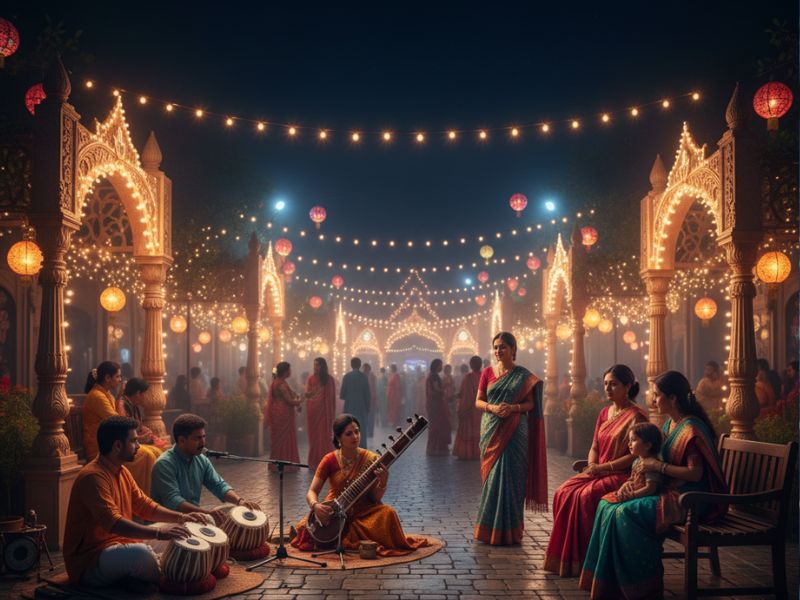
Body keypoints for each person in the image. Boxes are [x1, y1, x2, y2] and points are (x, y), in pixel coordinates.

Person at [579, 370, 727, 600]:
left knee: (624, 513)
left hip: (690, 500)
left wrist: (658, 467)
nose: (653, 399)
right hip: (669, 491)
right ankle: (611, 582)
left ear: (673, 398)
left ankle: (642, 586)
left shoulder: (691, 430)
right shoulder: (670, 425)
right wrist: (632, 483)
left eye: (657, 395)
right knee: (606, 505)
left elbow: (695, 473)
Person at [64, 416, 207, 587]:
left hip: (122, 544)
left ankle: (144, 575)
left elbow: (145, 506)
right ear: (117, 446)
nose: (138, 446)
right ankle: (168, 580)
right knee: (141, 554)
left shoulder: (121, 471)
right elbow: (114, 523)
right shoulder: (93, 477)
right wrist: (158, 533)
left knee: (181, 533)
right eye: (133, 441)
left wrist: (181, 517)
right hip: (91, 560)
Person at [544, 364, 648, 576]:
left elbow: (636, 455)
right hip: (598, 471)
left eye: (614, 384)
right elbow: (594, 446)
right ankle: (568, 558)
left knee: (584, 496)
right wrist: (592, 466)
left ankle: (587, 560)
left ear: (628, 386)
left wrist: (602, 467)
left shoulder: (636, 416)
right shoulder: (604, 413)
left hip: (622, 475)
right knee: (562, 492)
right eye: (606, 384)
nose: (607, 388)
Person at [291, 414, 429, 556]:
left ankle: (348, 536)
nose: (355, 437)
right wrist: (315, 506)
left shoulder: (371, 459)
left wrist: (383, 482)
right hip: (335, 512)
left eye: (357, 431)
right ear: (338, 438)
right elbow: (312, 491)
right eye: (349, 434)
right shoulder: (329, 460)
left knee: (389, 514)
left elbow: (375, 499)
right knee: (308, 527)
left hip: (364, 511)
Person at [474, 332, 547, 545]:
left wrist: (513, 408)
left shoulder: (523, 375)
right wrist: (493, 408)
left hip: (516, 432)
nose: (498, 351)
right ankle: (489, 531)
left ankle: (511, 531)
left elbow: (531, 404)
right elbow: (478, 401)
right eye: (496, 347)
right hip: (491, 430)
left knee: (514, 478)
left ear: (513, 349)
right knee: (493, 478)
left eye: (503, 347)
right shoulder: (487, 373)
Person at [151, 414, 260, 525]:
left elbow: (218, 485)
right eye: (197, 438)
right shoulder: (164, 464)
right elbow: (174, 501)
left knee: (232, 517)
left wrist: (239, 501)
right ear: (182, 440)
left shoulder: (201, 459)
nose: (203, 443)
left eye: (203, 437)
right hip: (167, 523)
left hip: (193, 518)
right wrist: (207, 514)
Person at [83, 362, 159, 496]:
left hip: (113, 445)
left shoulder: (106, 395)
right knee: (147, 456)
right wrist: (138, 438)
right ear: (107, 378)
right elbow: (116, 421)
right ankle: (139, 498)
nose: (120, 380)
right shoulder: (97, 396)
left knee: (156, 452)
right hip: (101, 448)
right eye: (117, 376)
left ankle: (151, 498)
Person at [603, 422, 663, 503]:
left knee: (620, 508)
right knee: (604, 502)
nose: (629, 444)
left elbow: (650, 489)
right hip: (636, 493)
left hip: (646, 497)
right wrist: (626, 484)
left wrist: (632, 495)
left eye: (633, 440)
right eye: (629, 440)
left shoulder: (650, 465)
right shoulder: (636, 461)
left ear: (647, 445)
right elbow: (632, 479)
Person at [266, 362, 302, 470]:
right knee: (285, 438)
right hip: (283, 414)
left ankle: (277, 463)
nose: (290, 372)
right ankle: (285, 464)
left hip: (278, 413)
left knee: (279, 439)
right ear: (285, 371)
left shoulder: (279, 382)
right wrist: (300, 401)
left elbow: (291, 395)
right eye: (289, 370)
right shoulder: (280, 384)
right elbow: (289, 400)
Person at [116, 378, 168, 452]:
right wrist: (142, 438)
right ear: (138, 394)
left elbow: (137, 426)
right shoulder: (121, 405)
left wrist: (145, 430)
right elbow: (125, 433)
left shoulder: (134, 404)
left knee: (162, 446)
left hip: (135, 441)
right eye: (145, 394)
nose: (146, 397)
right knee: (155, 451)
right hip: (127, 446)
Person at [304, 357, 337, 469]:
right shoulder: (311, 379)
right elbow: (307, 394)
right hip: (313, 412)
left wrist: (331, 412)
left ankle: (326, 462)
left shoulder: (329, 380)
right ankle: (314, 461)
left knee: (324, 436)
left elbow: (332, 398)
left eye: (318, 365)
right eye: (314, 365)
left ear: (323, 366)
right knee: (314, 438)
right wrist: (312, 394)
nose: (315, 367)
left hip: (324, 412)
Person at [453, 356, 483, 460]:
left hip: (469, 411)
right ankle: (479, 452)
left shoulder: (468, 377)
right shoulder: (485, 376)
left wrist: (461, 407)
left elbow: (464, 394)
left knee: (468, 431)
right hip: (481, 410)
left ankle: (467, 452)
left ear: (471, 365)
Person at [339, 357, 371, 448]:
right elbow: (367, 394)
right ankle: (362, 448)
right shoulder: (364, 377)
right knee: (361, 429)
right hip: (361, 408)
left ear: (351, 365)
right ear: (360, 365)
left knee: (349, 428)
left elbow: (342, 395)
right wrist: (368, 407)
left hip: (349, 407)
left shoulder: (346, 377)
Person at [425, 359, 451, 456]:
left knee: (435, 425)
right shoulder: (434, 376)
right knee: (439, 425)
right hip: (436, 404)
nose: (441, 367)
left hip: (433, 403)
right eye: (440, 365)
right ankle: (438, 448)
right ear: (436, 366)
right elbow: (436, 389)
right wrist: (444, 389)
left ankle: (433, 447)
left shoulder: (432, 375)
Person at [363, 363, 377, 440]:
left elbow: (373, 388)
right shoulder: (366, 376)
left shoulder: (371, 376)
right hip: (367, 399)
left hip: (370, 399)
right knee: (368, 416)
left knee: (370, 416)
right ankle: (368, 432)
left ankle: (369, 432)